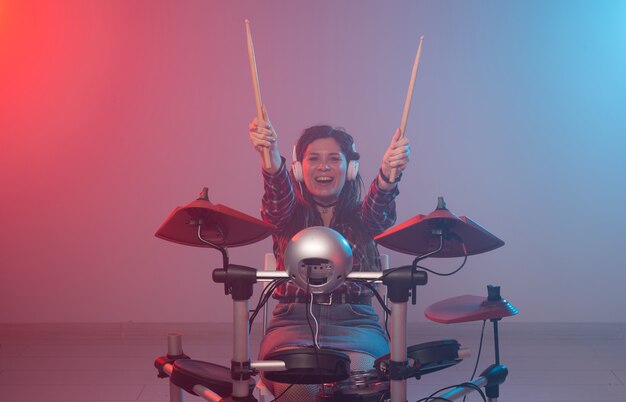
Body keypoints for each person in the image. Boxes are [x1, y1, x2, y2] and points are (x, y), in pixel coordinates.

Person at [248, 108, 410, 400]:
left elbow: (379, 209)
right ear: (299, 169)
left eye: (334, 158)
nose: (324, 166)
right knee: (299, 389)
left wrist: (388, 176)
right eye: (314, 158)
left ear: (350, 169)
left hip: (356, 325)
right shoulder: (287, 217)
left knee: (359, 382)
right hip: (292, 324)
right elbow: (276, 198)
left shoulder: (363, 219)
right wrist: (271, 161)